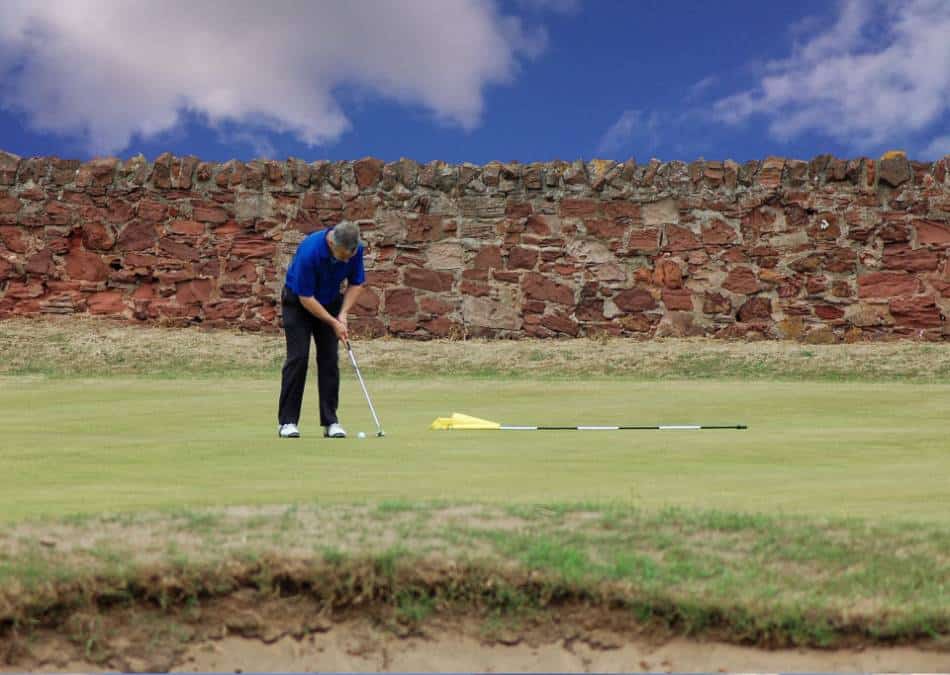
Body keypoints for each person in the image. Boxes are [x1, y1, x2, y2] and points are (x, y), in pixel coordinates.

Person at [278, 221, 365, 439]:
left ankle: (331, 421)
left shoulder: (355, 249)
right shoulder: (310, 250)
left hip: (329, 300)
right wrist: (333, 322)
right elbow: (305, 298)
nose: (347, 260)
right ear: (332, 242)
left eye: (350, 256)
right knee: (298, 357)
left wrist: (343, 313)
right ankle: (287, 422)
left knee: (329, 359)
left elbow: (356, 283)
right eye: (343, 256)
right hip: (298, 303)